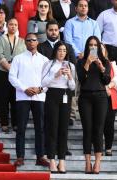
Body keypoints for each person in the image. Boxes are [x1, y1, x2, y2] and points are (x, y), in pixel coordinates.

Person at [9, 32, 50, 169]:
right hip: (22, 97)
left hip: (39, 97)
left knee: (41, 128)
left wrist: (40, 89)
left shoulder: (44, 60)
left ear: (37, 42)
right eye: (28, 40)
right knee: (21, 127)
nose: (31, 42)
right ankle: (20, 157)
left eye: (33, 40)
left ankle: (41, 156)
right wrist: (24, 88)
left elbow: (48, 79)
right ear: (25, 42)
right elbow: (12, 77)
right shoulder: (18, 58)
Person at [41, 40, 76, 173]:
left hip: (65, 96)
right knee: (52, 128)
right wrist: (56, 75)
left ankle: (62, 161)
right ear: (55, 51)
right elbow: (43, 82)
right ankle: (52, 160)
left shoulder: (70, 65)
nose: (62, 53)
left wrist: (69, 76)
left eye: (64, 51)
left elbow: (73, 87)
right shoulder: (49, 64)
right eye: (59, 50)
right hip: (52, 95)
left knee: (63, 129)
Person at [76, 36, 110, 174]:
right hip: (85, 97)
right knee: (87, 130)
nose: (93, 47)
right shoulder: (81, 61)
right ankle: (87, 163)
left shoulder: (105, 61)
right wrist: (88, 63)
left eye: (95, 45)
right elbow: (81, 79)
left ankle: (97, 163)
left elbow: (107, 80)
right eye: (90, 45)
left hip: (101, 96)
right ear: (87, 46)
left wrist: (101, 67)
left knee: (98, 129)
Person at [0, 17, 25, 133]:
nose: (13, 26)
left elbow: (23, 58)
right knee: (3, 98)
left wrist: (15, 70)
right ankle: (4, 123)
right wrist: (9, 68)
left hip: (17, 74)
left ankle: (15, 123)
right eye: (11, 24)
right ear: (7, 26)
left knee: (15, 99)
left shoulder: (22, 41)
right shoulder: (0, 39)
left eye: (15, 25)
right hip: (2, 72)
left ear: (18, 27)